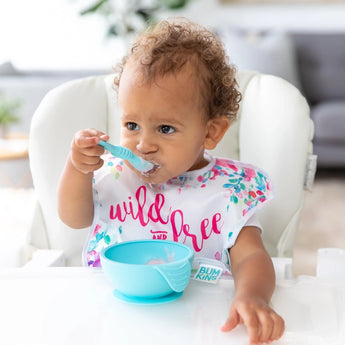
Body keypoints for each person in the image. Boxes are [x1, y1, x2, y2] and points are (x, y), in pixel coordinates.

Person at [58, 18, 285, 345]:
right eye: (132, 124)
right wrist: (77, 169)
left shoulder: (228, 191)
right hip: (115, 320)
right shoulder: (116, 174)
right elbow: (73, 218)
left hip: (200, 324)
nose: (142, 144)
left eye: (165, 129)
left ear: (210, 132)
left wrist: (253, 297)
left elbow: (251, 257)